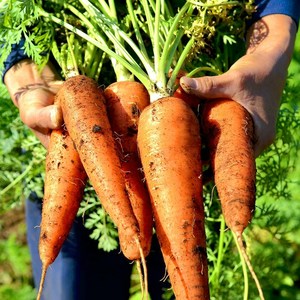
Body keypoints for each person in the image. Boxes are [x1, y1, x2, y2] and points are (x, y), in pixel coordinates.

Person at [1, 1, 299, 299]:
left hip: (192, 109)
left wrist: (275, 32)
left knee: (183, 245)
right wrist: (19, 61)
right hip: (75, 115)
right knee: (74, 284)